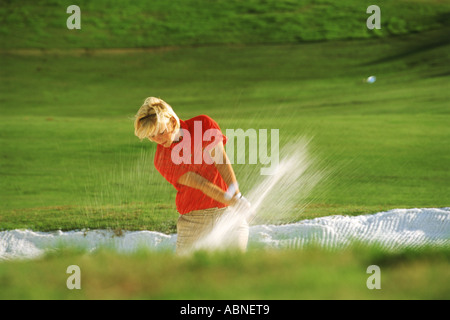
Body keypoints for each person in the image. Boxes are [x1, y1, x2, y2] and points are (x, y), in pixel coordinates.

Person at [134, 97, 249, 254]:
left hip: (228, 214)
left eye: (161, 132)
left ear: (172, 122)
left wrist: (237, 196)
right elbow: (201, 184)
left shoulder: (203, 125)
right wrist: (234, 201)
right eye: (151, 136)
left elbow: (221, 161)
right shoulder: (161, 159)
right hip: (193, 222)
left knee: (236, 270)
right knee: (187, 275)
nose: (158, 140)